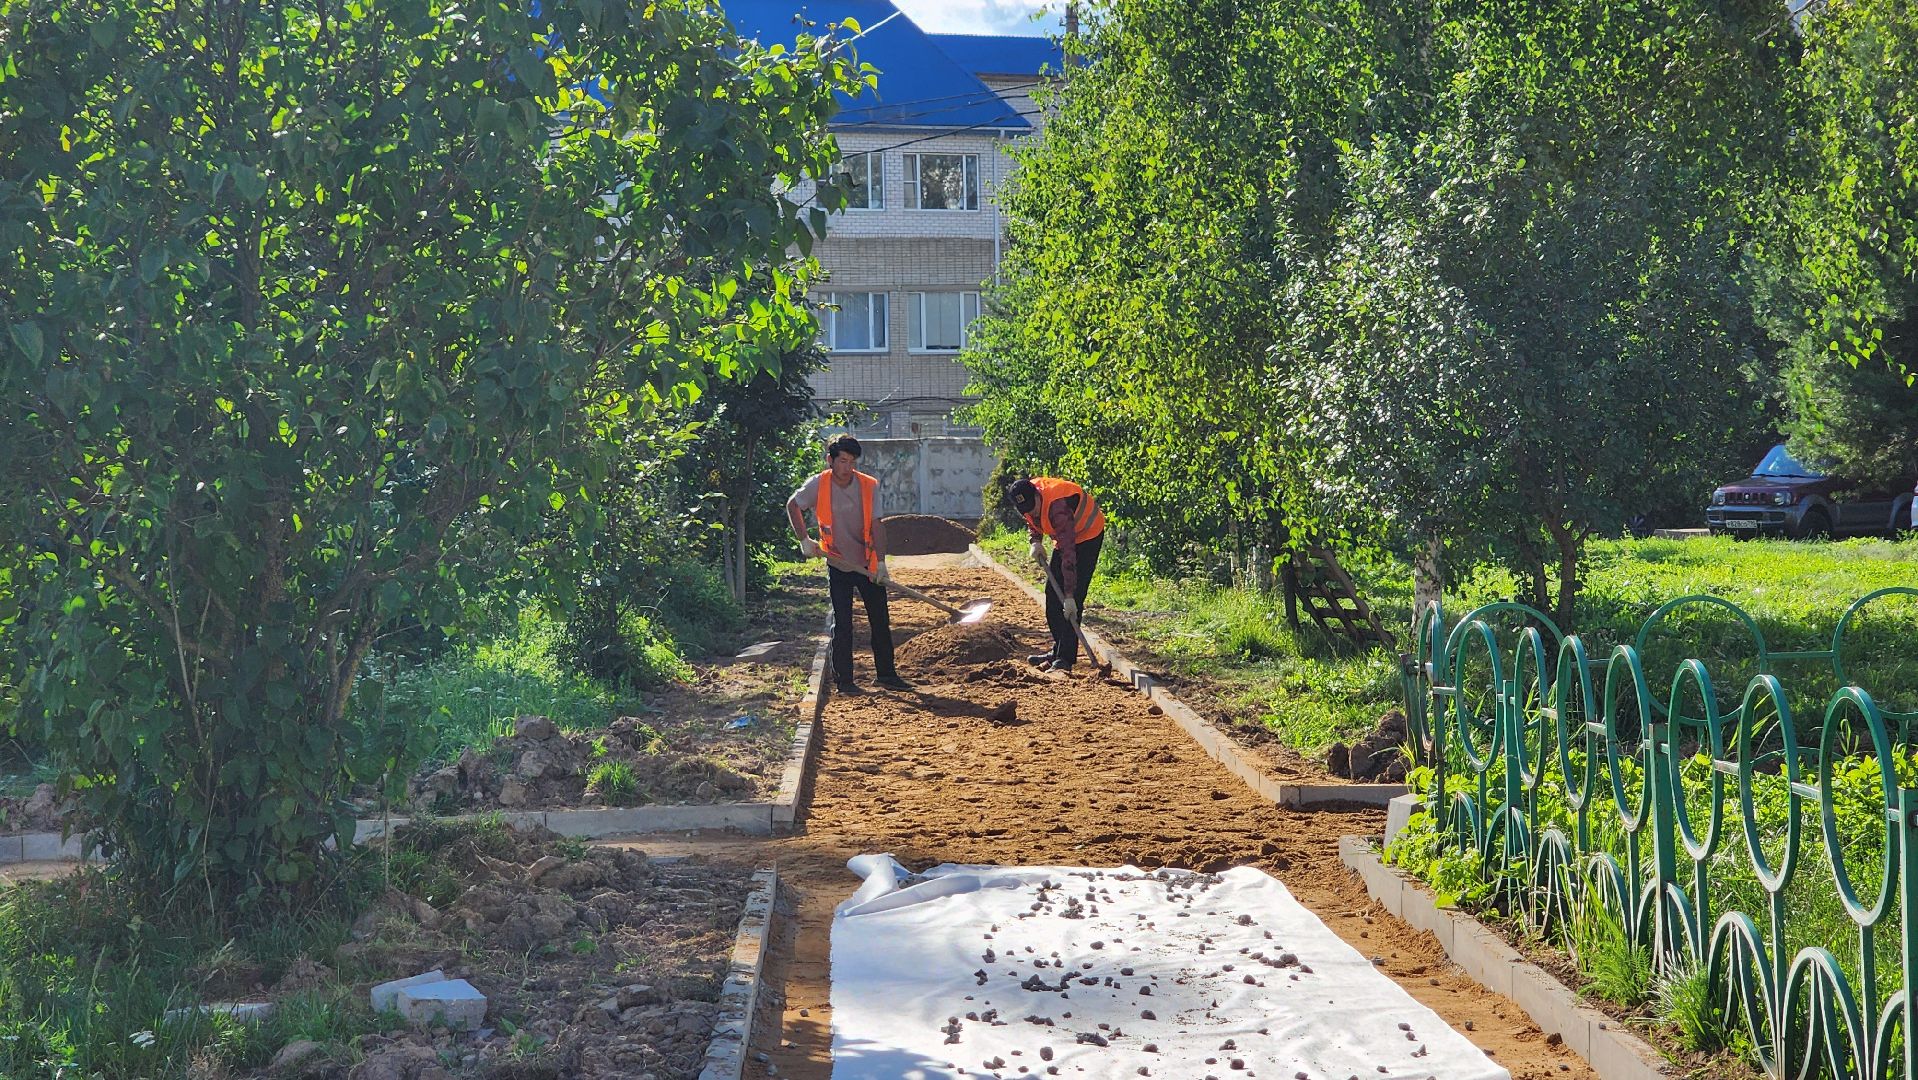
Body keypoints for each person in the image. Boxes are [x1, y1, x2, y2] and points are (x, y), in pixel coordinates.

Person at [788, 435, 909, 693]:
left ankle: (887, 675)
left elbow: (877, 525)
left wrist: (881, 563)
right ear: (830, 460)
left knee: (880, 620)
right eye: (842, 461)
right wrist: (804, 540)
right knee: (843, 623)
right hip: (837, 561)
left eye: (852, 462)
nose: (847, 467)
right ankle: (845, 681)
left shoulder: (868, 485)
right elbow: (793, 505)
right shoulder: (818, 484)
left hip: (867, 564)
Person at [1005, 476, 1105, 671]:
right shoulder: (1025, 498)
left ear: (1037, 495)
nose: (1031, 512)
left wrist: (1069, 596)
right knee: (1052, 593)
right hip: (1064, 537)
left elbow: (1069, 554)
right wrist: (1035, 540)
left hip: (1087, 535)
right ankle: (1058, 649)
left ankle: (1065, 659)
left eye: (1033, 507)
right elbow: (1032, 521)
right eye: (1025, 511)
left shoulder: (1057, 507)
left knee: (1073, 599)